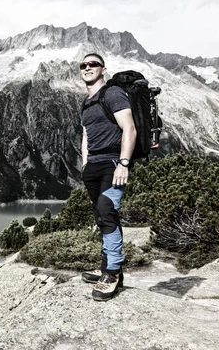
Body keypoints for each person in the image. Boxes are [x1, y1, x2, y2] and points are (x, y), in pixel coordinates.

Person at [79, 53, 136, 301]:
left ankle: (112, 273)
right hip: (93, 166)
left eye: (93, 64)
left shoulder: (112, 94)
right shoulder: (86, 102)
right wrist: (84, 163)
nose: (87, 68)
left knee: (106, 210)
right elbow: (85, 135)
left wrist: (123, 163)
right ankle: (107, 267)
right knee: (103, 217)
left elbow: (130, 129)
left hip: (113, 163)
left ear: (103, 69)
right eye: (83, 65)